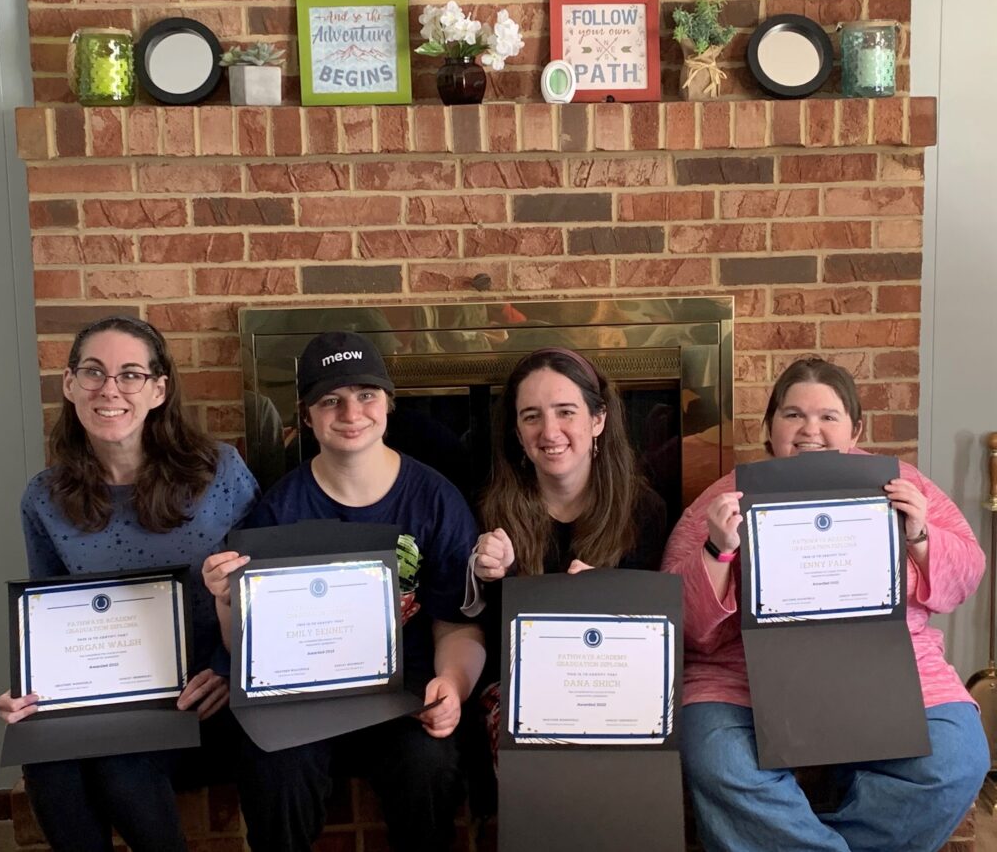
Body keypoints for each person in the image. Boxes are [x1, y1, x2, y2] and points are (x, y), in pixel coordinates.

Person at [663, 356, 988, 852]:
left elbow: (967, 573)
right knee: (720, 762)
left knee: (958, 757)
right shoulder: (725, 498)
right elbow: (679, 620)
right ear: (769, 427)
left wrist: (920, 535)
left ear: (854, 428)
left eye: (827, 416)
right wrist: (718, 549)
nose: (809, 430)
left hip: (892, 665)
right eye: (793, 415)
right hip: (741, 677)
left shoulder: (902, 485)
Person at [202, 330, 486, 852]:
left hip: (405, 692)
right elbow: (247, 644)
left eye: (366, 395)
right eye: (330, 400)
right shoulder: (279, 510)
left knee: (430, 765)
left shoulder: (435, 499)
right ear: (306, 416)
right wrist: (225, 598)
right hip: (303, 696)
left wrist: (452, 683)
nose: (350, 412)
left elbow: (457, 622)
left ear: (389, 404)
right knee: (272, 767)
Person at [0, 315, 259, 852]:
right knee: (46, 765)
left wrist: (229, 670)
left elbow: (269, 589)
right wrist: (30, 690)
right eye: (93, 372)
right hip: (111, 698)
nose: (109, 389)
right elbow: (48, 614)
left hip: (206, 695)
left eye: (130, 374)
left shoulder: (220, 471)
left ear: (158, 390)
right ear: (70, 384)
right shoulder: (43, 497)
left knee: (122, 768)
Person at [466, 347, 667, 762]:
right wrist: (490, 579)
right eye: (531, 416)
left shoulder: (643, 510)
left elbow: (658, 636)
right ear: (518, 432)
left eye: (565, 412)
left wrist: (607, 598)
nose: (549, 431)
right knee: (535, 744)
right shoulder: (489, 511)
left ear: (598, 419)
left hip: (610, 680)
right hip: (519, 684)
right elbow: (481, 639)